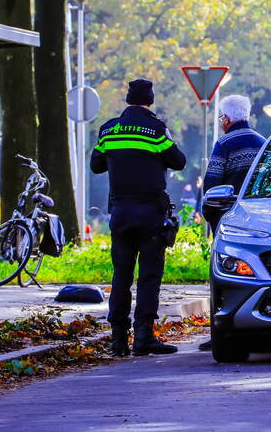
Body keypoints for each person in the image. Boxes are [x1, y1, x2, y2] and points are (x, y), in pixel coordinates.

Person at [91, 79, 187, 357]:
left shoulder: (109, 129)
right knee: (148, 276)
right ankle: (144, 336)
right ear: (150, 101)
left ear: (127, 99)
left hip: (120, 213)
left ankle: (118, 339)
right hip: (150, 214)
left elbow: (96, 165)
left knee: (121, 275)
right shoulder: (155, 129)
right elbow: (178, 161)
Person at [198, 94, 265, 351]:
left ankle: (224, 331)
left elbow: (212, 183)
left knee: (224, 277)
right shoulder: (262, 143)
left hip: (228, 219)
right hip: (259, 221)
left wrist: (210, 215)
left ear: (225, 119)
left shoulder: (224, 144)